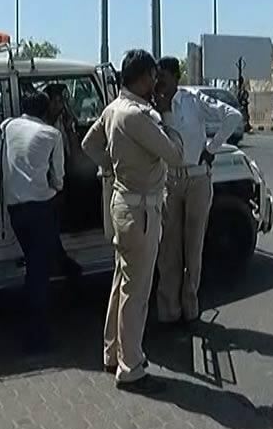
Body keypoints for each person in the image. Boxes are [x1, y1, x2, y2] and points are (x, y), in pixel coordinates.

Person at [81, 49, 184, 391]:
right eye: (153, 76)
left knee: (122, 283)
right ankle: (131, 367)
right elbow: (175, 154)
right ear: (142, 78)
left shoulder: (113, 109)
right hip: (141, 211)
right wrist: (166, 112)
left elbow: (89, 144)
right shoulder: (138, 115)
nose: (157, 82)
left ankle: (113, 352)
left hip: (123, 203)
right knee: (136, 292)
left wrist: (113, 166)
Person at [155, 57, 242, 325]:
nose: (158, 82)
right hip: (170, 180)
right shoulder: (152, 107)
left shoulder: (193, 101)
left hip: (197, 179)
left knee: (193, 247)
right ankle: (169, 310)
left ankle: (190, 307)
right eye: (156, 77)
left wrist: (211, 149)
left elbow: (233, 117)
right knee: (168, 249)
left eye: (163, 77)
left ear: (175, 77)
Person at [0, 91, 65, 353]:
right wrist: (51, 185)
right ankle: (37, 336)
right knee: (38, 272)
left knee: (34, 261)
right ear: (45, 111)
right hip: (41, 208)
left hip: (15, 210)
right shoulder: (52, 134)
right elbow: (59, 178)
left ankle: (64, 263)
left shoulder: (7, 125)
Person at [43, 83, 83, 282]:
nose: (60, 106)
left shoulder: (62, 123)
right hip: (45, 177)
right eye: (56, 101)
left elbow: (74, 154)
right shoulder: (42, 125)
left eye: (62, 101)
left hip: (62, 172)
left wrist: (70, 129)